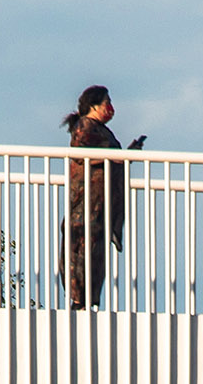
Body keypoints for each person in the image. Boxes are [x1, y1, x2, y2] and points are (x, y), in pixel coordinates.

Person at [61, 85, 143, 310]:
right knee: (83, 249)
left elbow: (111, 158)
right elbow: (84, 151)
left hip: (100, 203)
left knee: (95, 252)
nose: (110, 108)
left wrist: (126, 155)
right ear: (94, 106)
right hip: (87, 202)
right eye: (106, 103)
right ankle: (80, 301)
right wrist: (119, 157)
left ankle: (88, 301)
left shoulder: (100, 129)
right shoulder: (85, 127)